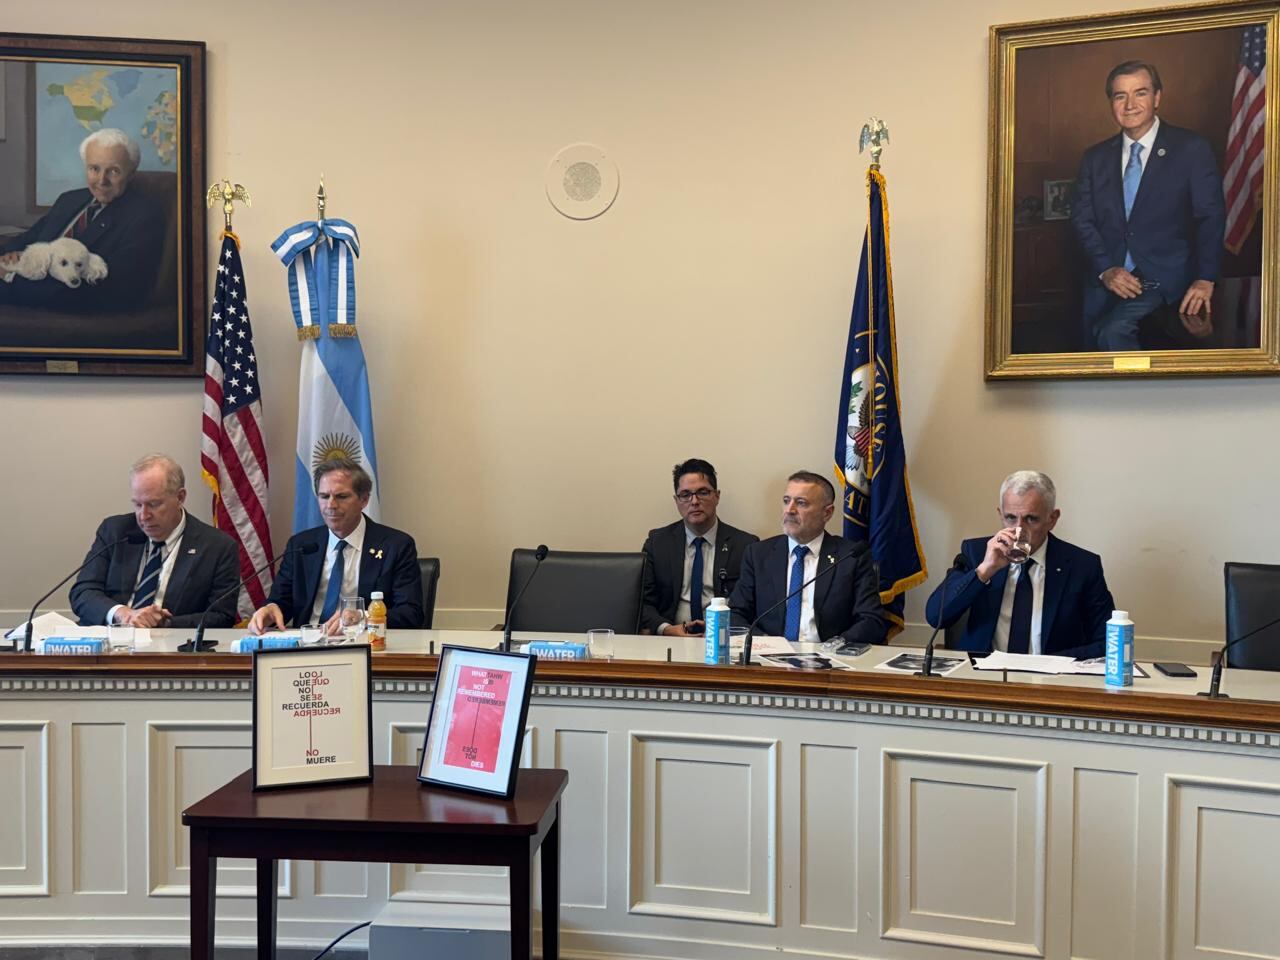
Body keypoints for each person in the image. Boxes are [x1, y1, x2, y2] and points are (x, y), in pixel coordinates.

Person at [1071, 60, 1225, 352]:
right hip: (1106, 279)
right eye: (1120, 96)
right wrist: (1106, 270)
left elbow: (1210, 217)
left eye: (1140, 93)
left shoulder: (1191, 149)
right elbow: (1082, 219)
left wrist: (1206, 278)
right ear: (1111, 103)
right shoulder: (1095, 158)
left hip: (1164, 279)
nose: (1129, 104)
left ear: (1157, 98)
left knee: (1112, 333)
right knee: (1089, 355)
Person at [924, 471, 1114, 659]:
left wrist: (1051, 664)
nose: (1019, 529)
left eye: (1031, 519)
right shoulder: (977, 553)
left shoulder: (1083, 566)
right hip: (984, 678)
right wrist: (984, 571)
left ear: (1052, 519)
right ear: (1000, 514)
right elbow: (935, 617)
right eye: (1011, 518)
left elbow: (1107, 642)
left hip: (1051, 679)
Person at [247, 458, 423, 634]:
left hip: (364, 643)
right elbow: (282, 601)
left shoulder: (396, 546)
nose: (330, 505)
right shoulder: (301, 545)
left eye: (341, 496)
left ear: (364, 500)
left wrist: (363, 618)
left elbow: (410, 613)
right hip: (307, 644)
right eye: (324, 496)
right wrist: (270, 609)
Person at [0, 128, 165, 312]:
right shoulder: (69, 200)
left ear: (131, 174)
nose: (102, 180)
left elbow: (113, 290)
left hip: (61, 310)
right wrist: (10, 254)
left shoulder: (144, 217)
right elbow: (28, 239)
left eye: (114, 171)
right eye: (94, 169)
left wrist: (11, 279)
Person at [69, 454, 240, 628]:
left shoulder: (217, 547)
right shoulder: (115, 532)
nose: (143, 516)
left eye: (154, 504)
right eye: (137, 504)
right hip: (111, 642)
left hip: (172, 648)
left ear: (180, 497)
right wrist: (123, 614)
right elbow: (83, 593)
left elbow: (222, 616)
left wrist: (163, 623)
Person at [730, 470, 886, 646]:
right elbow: (736, 614)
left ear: (827, 513)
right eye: (786, 501)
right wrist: (768, 644)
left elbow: (871, 620)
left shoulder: (851, 557)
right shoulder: (758, 554)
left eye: (801, 503)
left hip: (830, 663)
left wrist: (835, 645)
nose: (790, 510)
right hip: (768, 660)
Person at [640, 458, 759, 636]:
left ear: (717, 496)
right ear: (676, 500)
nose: (694, 501)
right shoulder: (658, 543)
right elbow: (643, 603)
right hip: (671, 637)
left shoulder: (746, 546)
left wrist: (721, 628)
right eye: (685, 494)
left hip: (724, 638)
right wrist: (666, 629)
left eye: (703, 492)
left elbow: (751, 606)